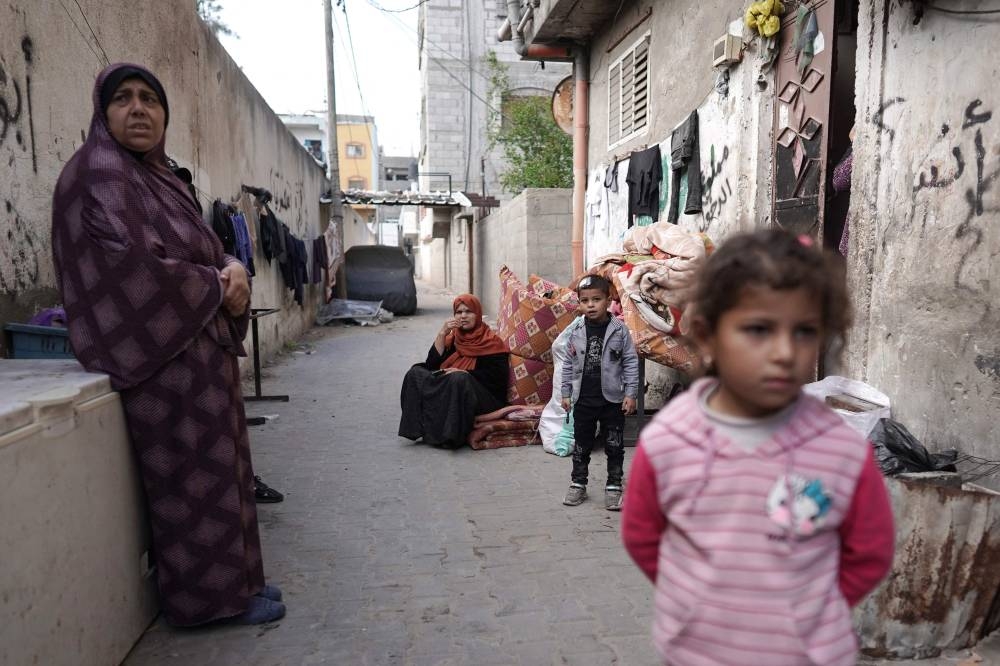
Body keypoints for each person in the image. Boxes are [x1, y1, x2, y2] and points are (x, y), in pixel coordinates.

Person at [51, 63, 284, 626]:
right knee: (191, 482)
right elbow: (130, 268)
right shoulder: (98, 175)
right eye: (124, 99)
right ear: (102, 113)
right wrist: (216, 285)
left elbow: (203, 244)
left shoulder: (157, 176)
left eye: (151, 100)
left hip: (196, 348)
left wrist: (231, 266)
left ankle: (238, 585)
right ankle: (203, 605)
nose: (139, 110)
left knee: (225, 470)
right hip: (158, 360)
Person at [621, 230, 894, 664]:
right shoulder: (670, 440)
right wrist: (696, 601)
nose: (785, 352)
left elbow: (870, 550)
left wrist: (808, 612)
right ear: (707, 336)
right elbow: (643, 535)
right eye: (758, 329)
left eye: (804, 331)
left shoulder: (841, 449)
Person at [560, 275, 639, 510]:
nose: (590, 305)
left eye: (596, 299)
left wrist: (631, 393)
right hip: (584, 398)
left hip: (612, 399)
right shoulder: (575, 330)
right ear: (579, 303)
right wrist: (566, 393)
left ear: (608, 300)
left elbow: (630, 362)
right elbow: (567, 362)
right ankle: (578, 484)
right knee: (582, 443)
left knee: (614, 444)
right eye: (585, 301)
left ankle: (614, 486)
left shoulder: (619, 330)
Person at [398, 294, 510, 448]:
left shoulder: (491, 342)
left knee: (458, 378)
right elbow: (431, 364)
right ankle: (416, 429)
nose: (463, 316)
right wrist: (443, 333)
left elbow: (498, 379)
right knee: (416, 372)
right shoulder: (453, 338)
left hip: (484, 396)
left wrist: (467, 373)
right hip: (453, 385)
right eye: (459, 312)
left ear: (477, 314)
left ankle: (449, 437)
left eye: (468, 311)